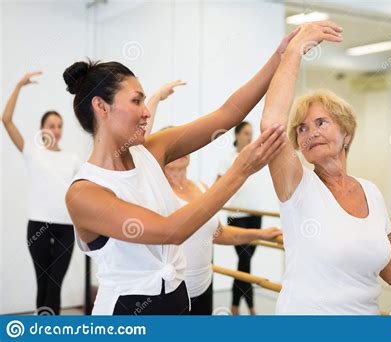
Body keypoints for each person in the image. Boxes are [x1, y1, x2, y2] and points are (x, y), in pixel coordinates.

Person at [63, 29, 295, 315]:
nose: (147, 112)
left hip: (178, 303)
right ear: (101, 107)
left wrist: (280, 57)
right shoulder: (85, 192)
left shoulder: (151, 151)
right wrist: (241, 170)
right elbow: (171, 230)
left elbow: (228, 113)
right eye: (137, 101)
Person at [259, 20, 391, 315]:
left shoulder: (370, 192)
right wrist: (295, 50)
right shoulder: (297, 186)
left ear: (346, 133)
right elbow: (271, 125)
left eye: (321, 123)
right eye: (302, 129)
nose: (310, 133)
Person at [2, 71, 81, 315]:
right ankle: (42, 329)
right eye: (51, 126)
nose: (56, 130)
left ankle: (50, 330)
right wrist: (18, 85)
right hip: (38, 226)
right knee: (43, 281)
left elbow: (80, 193)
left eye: (59, 126)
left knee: (55, 282)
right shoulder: (31, 152)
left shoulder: (73, 159)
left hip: (66, 228)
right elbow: (6, 120)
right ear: (41, 128)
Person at [164, 151, 281, 315]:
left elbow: (218, 233)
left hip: (204, 285)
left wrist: (259, 234)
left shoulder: (202, 187)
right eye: (175, 147)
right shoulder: (158, 193)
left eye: (184, 146)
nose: (182, 150)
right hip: (171, 290)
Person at [216, 121, 263, 315]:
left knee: (245, 263)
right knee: (245, 262)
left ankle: (235, 307)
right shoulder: (228, 159)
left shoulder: (255, 157)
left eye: (251, 133)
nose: (249, 137)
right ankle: (250, 309)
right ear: (236, 135)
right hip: (237, 217)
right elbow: (218, 187)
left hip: (256, 216)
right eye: (245, 133)